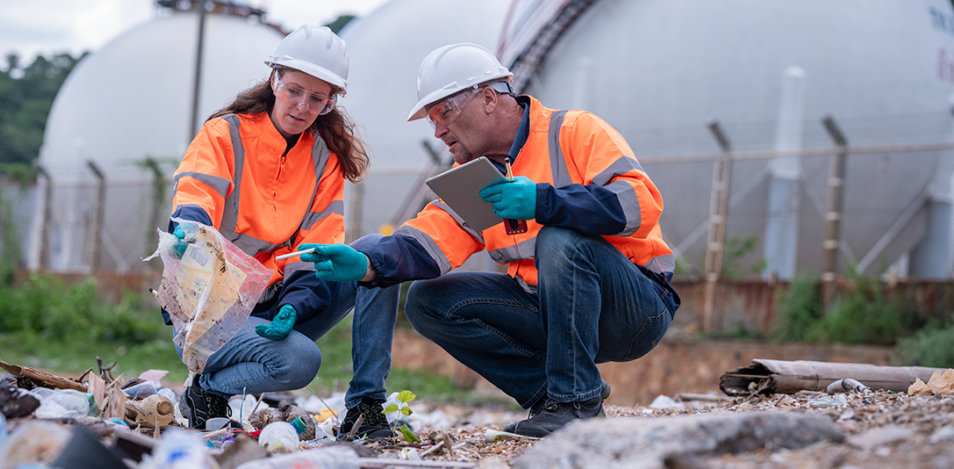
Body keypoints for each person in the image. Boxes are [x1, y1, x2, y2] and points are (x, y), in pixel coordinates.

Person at [300, 43, 681, 437]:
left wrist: (544, 201)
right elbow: (433, 238)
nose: (438, 131)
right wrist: (368, 264)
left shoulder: (574, 131)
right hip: (551, 313)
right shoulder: (475, 175)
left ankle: (576, 405)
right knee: (429, 301)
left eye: (443, 113)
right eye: (431, 120)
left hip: (633, 310)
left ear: (487, 98)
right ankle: (553, 401)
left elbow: (640, 204)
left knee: (560, 239)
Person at [166, 25, 400, 439]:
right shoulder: (225, 134)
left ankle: (366, 406)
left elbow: (320, 247)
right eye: (294, 90)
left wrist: (298, 301)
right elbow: (197, 195)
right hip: (213, 307)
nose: (303, 105)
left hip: (279, 302)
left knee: (378, 257)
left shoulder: (323, 159)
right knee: (299, 361)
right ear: (275, 80)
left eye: (317, 98)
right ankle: (207, 389)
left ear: (331, 101)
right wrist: (189, 228)